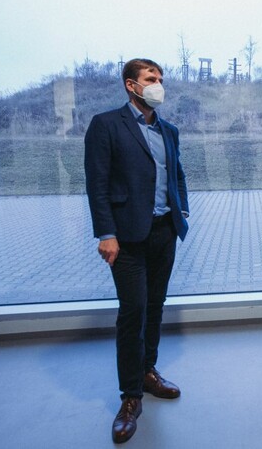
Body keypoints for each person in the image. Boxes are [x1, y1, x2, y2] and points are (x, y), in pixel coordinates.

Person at [85, 58, 190, 443]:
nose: (158, 84)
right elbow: (97, 184)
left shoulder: (169, 129)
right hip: (126, 237)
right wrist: (106, 233)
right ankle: (130, 397)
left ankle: (148, 372)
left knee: (155, 306)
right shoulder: (106, 125)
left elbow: (177, 173)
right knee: (133, 311)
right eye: (151, 78)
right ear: (131, 85)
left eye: (160, 78)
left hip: (164, 231)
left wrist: (182, 210)